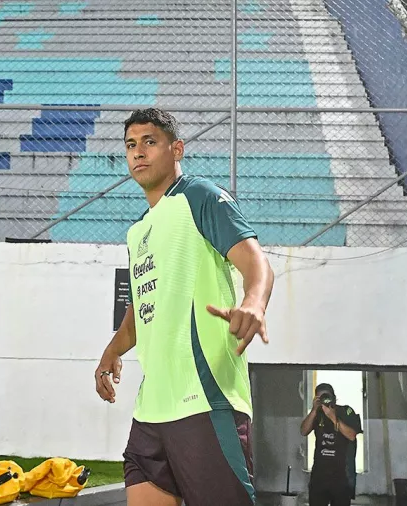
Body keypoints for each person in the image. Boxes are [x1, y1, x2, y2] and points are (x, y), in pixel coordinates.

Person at [95, 108, 275, 506]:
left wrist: (254, 302)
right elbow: (142, 305)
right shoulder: (138, 229)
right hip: (150, 412)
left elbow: (256, 262)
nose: (138, 152)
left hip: (203, 402)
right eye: (130, 145)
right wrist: (113, 349)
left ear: (176, 149)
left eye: (149, 142)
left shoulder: (199, 196)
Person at [300, 383, 363, 506]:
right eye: (320, 397)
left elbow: (351, 435)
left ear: (334, 397)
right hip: (319, 475)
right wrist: (314, 410)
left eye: (326, 396)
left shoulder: (346, 411)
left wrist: (333, 417)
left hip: (341, 475)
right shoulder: (317, 414)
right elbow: (303, 431)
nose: (325, 400)